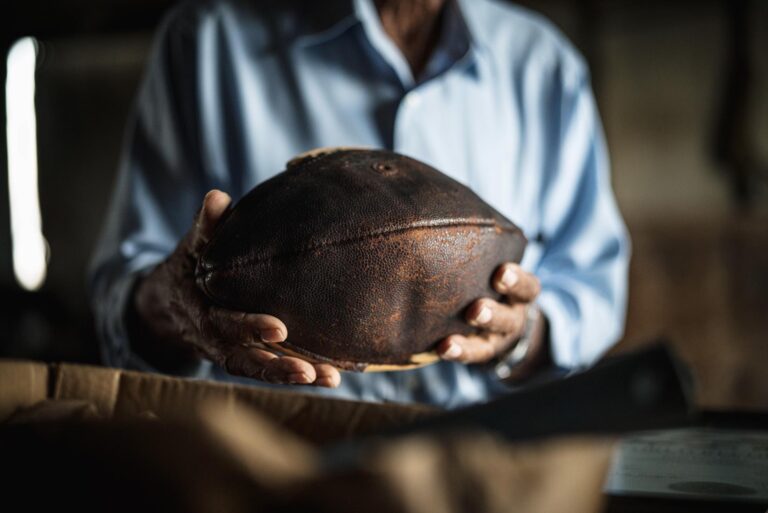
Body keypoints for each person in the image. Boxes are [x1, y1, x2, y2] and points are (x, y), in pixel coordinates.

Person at [88, 0, 629, 409]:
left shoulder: (542, 64)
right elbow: (122, 299)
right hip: (269, 465)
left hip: (475, 470)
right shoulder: (207, 39)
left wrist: (522, 336)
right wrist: (177, 305)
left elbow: (594, 290)